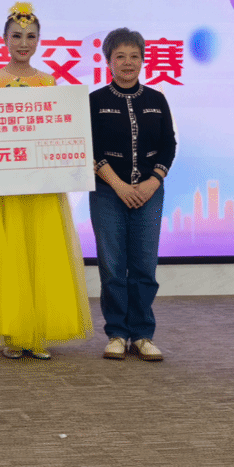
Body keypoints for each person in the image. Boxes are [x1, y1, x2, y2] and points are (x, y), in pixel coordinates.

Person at [0, 2, 93, 360]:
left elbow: (61, 131)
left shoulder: (48, 82)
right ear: (4, 40)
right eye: (16, 36)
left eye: (30, 37)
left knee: (41, 254)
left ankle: (38, 331)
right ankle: (14, 332)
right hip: (3, 188)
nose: (23, 43)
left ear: (39, 40)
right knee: (9, 255)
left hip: (41, 188)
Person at [88, 27, 177, 362]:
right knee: (112, 266)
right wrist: (119, 185)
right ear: (108, 61)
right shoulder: (95, 101)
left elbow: (168, 145)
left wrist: (153, 182)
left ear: (143, 60)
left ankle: (142, 335)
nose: (128, 63)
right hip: (107, 192)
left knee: (144, 266)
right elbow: (90, 148)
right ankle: (116, 334)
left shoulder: (156, 99)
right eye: (120, 56)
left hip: (149, 193)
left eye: (134, 56)